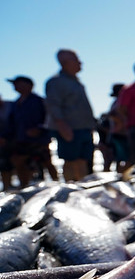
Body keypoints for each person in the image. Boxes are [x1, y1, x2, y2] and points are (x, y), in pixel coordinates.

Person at [44, 49, 96, 181]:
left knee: (83, 160)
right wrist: (62, 125)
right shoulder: (56, 82)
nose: (80, 62)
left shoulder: (76, 82)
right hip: (70, 129)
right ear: (65, 63)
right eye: (76, 59)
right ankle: (70, 190)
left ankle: (82, 189)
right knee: (71, 161)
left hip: (83, 128)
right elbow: (53, 105)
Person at [5, 76, 57, 187]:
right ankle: (25, 187)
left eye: (18, 83)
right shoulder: (15, 104)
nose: (15, 86)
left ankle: (57, 185)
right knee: (19, 162)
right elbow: (11, 123)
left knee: (47, 162)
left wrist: (40, 129)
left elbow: (49, 118)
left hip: (39, 140)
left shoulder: (38, 101)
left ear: (29, 85)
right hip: (21, 140)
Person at [107, 83, 129, 171]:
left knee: (121, 158)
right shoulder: (118, 103)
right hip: (119, 135)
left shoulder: (117, 102)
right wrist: (120, 124)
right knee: (122, 158)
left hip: (119, 134)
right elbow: (112, 115)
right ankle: (121, 176)